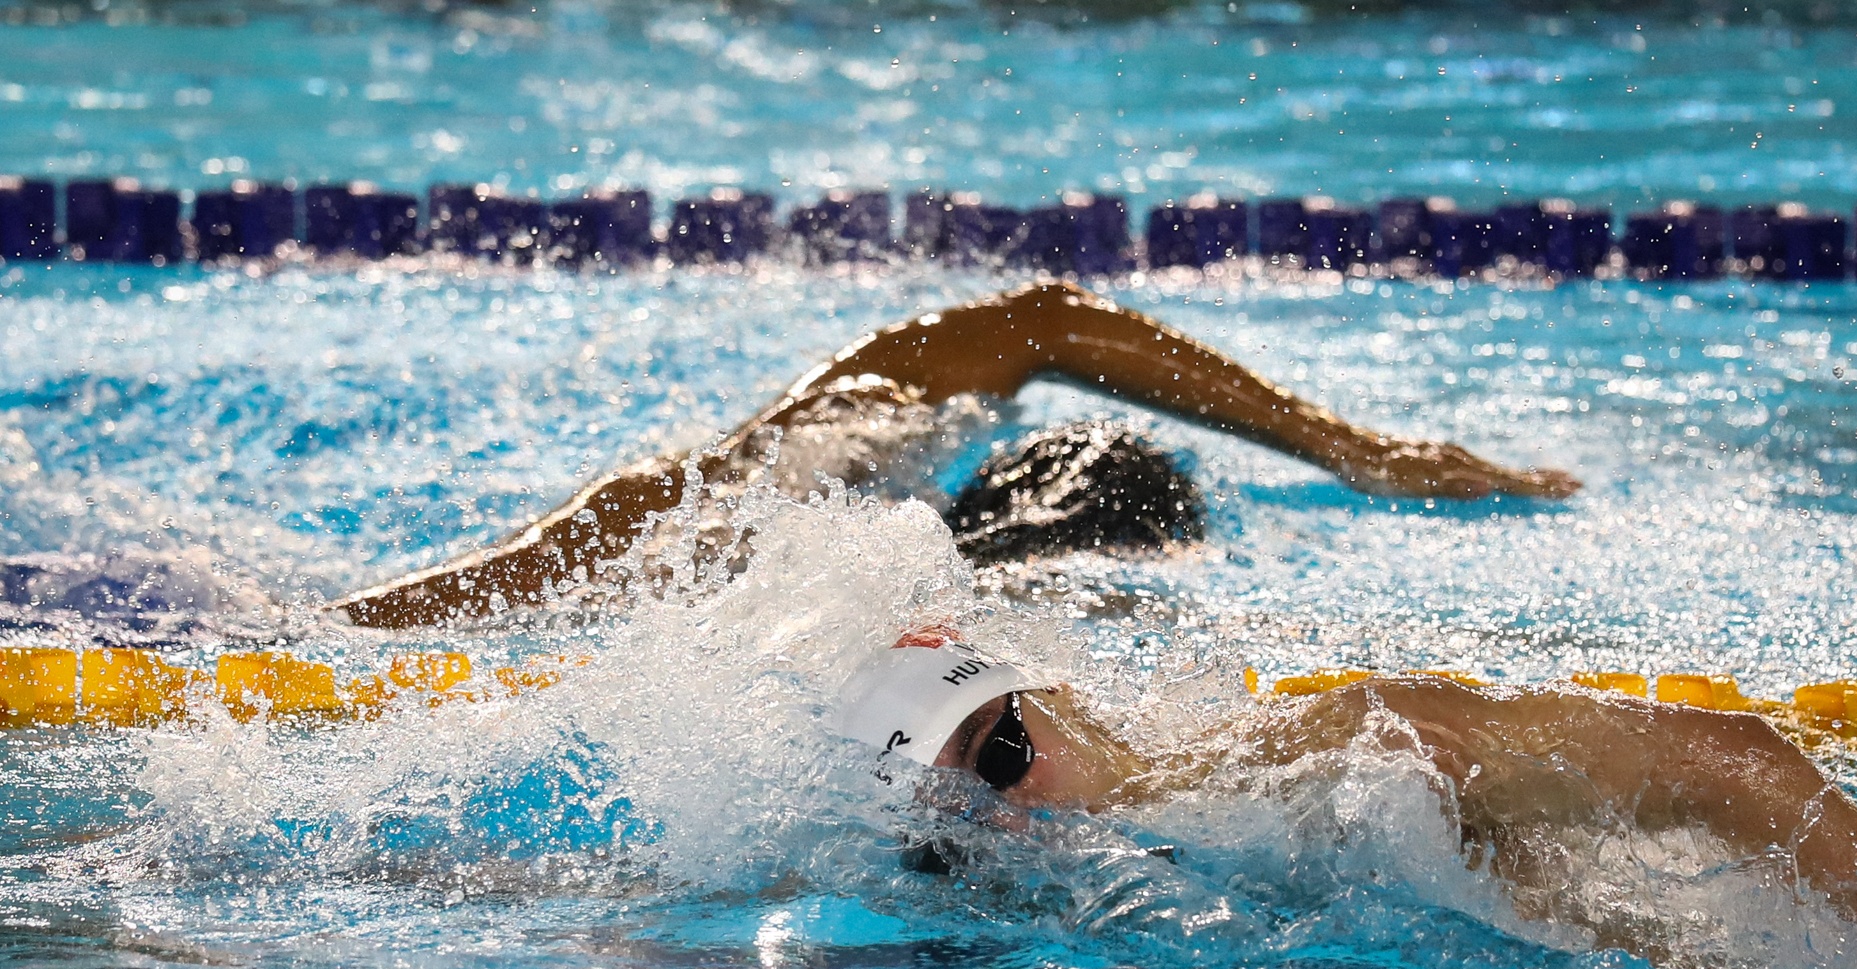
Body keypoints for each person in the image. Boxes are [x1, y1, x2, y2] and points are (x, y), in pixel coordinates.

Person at [832, 633, 1857, 969]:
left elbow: (1740, 759)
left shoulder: (1333, 755)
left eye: (1003, 751)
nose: (1018, 812)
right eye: (962, 826)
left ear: (1056, 698)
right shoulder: (1084, 894)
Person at [335, 281, 1577, 628]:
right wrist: (1353, 452)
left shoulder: (831, 466)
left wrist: (1343, 447)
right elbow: (1046, 320)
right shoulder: (1041, 605)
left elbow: (1039, 318)